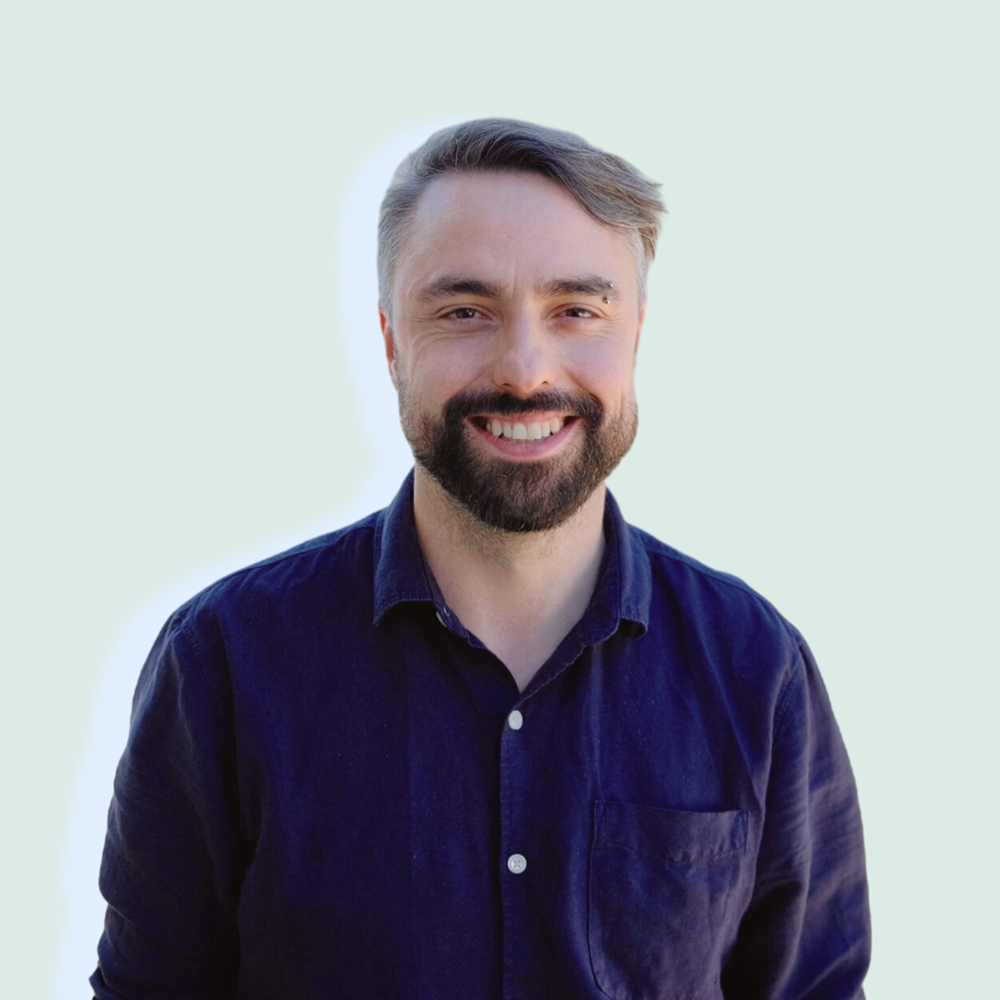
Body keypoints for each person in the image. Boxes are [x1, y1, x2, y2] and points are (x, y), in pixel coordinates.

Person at [91, 119, 871, 1000]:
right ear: (392, 342)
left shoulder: (757, 668)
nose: (526, 370)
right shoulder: (225, 661)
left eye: (577, 310)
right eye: (465, 312)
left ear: (636, 334)